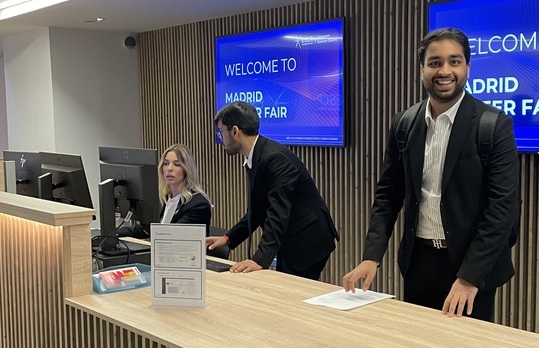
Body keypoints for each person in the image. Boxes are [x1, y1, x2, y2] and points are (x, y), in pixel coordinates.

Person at [342, 27, 519, 322]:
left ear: (467, 68)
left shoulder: (493, 125)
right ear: (422, 69)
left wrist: (469, 277)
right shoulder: (404, 123)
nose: (444, 71)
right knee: (420, 346)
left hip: (471, 267)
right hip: (419, 263)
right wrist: (371, 256)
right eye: (435, 62)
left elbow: (502, 209)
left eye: (454, 61)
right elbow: (388, 196)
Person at [206, 101, 339, 280]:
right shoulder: (256, 155)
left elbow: (278, 211)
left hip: (308, 239)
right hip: (291, 237)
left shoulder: (275, 158)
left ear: (235, 131)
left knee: (291, 291)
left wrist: (260, 259)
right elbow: (257, 210)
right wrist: (228, 238)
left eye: (221, 132)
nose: (221, 138)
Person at [157, 143, 212, 234]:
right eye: (166, 163)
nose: (169, 168)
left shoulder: (198, 205)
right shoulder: (163, 198)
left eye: (177, 164)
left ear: (187, 169)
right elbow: (148, 227)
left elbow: (173, 235)